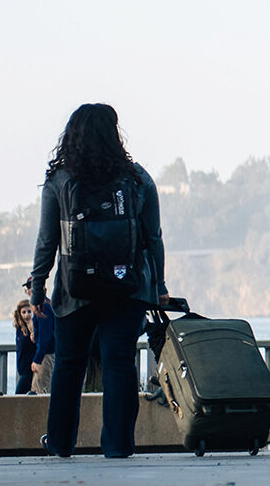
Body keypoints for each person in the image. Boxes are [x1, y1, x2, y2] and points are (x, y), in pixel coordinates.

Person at [29, 103, 168, 458]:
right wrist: (160, 287)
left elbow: (47, 240)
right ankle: (118, 445)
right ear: (114, 133)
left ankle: (60, 443)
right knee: (119, 363)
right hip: (129, 289)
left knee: (69, 365)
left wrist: (38, 287)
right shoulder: (137, 178)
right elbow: (153, 237)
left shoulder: (60, 180)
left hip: (75, 292)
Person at [11, 299, 54, 395]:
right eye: (24, 312)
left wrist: (35, 338)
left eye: (29, 311)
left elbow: (41, 341)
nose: (27, 315)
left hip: (29, 370)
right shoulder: (20, 328)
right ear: (19, 314)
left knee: (18, 395)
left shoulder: (32, 326)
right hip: (22, 369)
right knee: (26, 397)